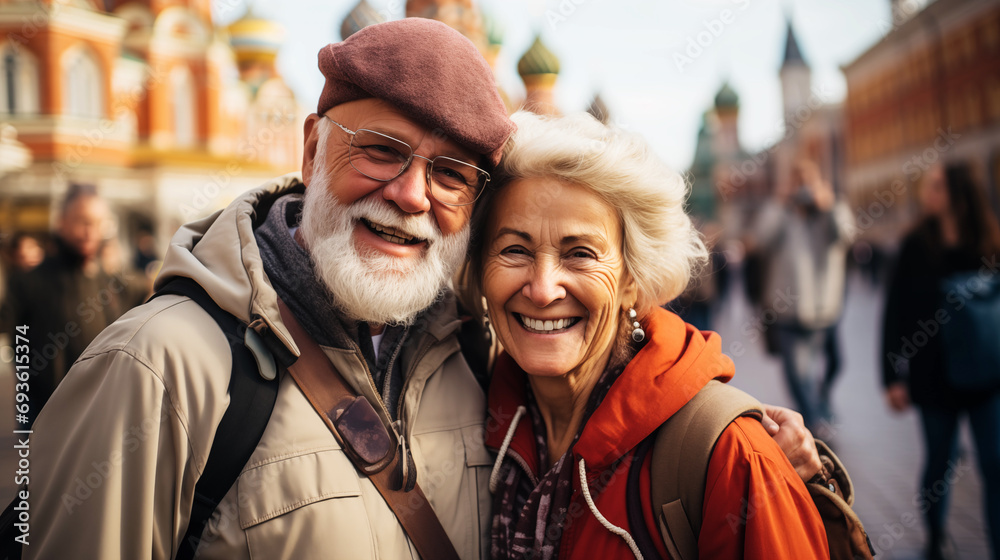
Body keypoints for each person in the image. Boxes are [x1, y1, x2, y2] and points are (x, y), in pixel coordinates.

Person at [23, 19, 816, 560]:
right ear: (310, 148)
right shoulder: (160, 368)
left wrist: (742, 447)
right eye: (381, 149)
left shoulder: (477, 362)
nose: (410, 194)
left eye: (449, 173)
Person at [466, 111, 829, 559]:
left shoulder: (733, 457)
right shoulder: (476, 410)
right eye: (514, 250)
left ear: (632, 282)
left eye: (579, 254)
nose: (542, 290)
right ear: (480, 269)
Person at [881, 163, 1000, 560]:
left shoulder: (990, 241)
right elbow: (894, 312)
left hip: (988, 375)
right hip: (933, 376)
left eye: (934, 186)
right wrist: (891, 376)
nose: (926, 193)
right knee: (938, 463)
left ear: (957, 192)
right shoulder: (916, 244)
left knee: (995, 465)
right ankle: (935, 539)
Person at [1, 184, 123, 427]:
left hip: (98, 416)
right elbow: (18, 343)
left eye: (98, 223)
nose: (90, 232)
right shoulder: (29, 282)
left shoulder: (111, 285)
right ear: (61, 222)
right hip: (44, 417)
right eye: (82, 221)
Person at [750, 160, 854, 435]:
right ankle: (815, 421)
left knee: (835, 363)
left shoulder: (832, 208)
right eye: (798, 182)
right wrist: (779, 204)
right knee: (797, 374)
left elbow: (846, 235)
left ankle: (820, 404)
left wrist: (827, 205)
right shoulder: (782, 212)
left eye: (808, 182)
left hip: (825, 308)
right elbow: (760, 240)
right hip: (787, 310)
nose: (803, 189)